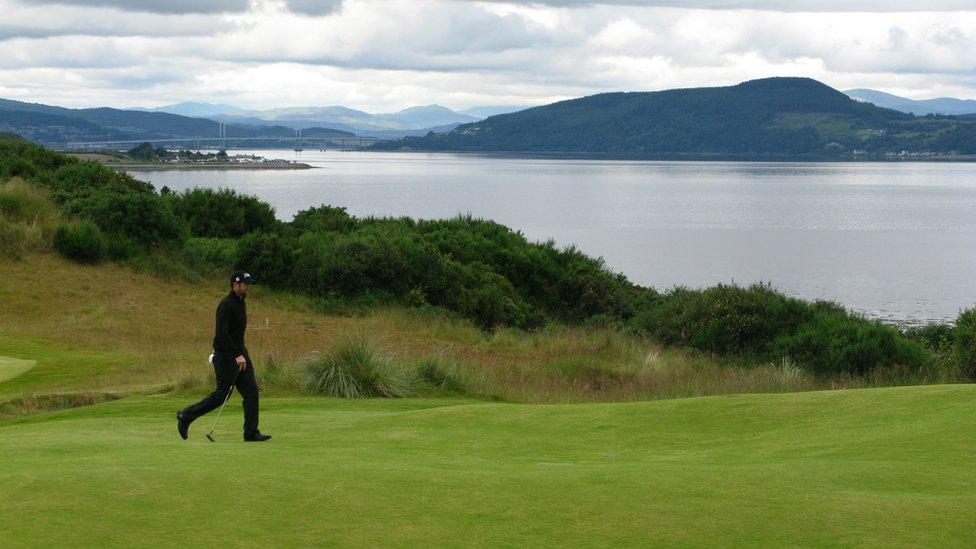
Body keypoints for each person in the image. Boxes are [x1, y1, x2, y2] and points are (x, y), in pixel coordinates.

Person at [177, 271, 271, 442]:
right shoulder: (226, 305)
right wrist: (237, 355)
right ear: (235, 285)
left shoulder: (242, 303)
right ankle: (185, 415)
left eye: (250, 284)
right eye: (246, 284)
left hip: (240, 353)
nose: (249, 287)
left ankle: (251, 433)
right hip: (225, 356)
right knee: (222, 395)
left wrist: (241, 353)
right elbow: (222, 333)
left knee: (251, 392)